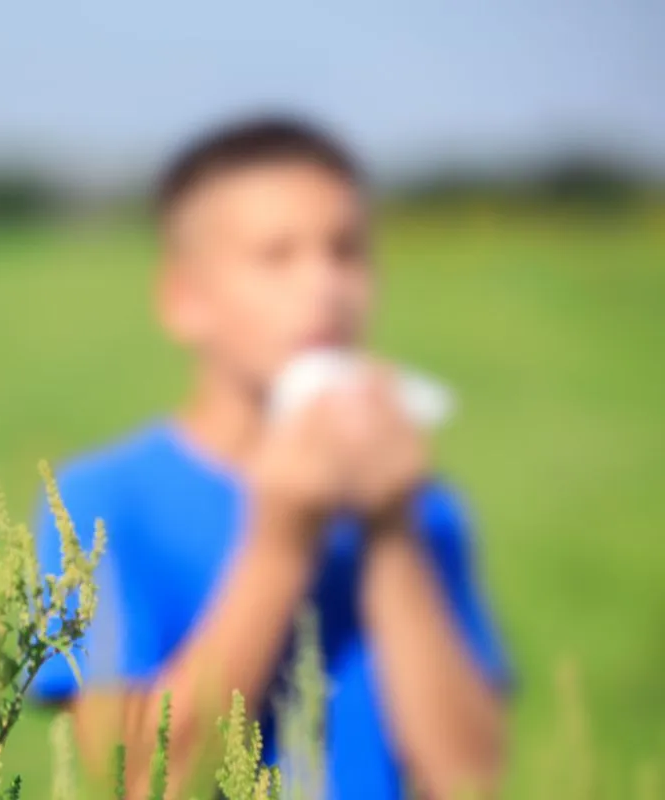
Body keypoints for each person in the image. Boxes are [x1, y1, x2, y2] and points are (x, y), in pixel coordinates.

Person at [31, 116, 509, 799]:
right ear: (184, 299)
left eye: (346, 251)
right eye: (275, 256)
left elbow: (474, 776)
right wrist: (281, 540)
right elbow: (139, 778)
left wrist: (393, 534)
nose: (324, 286)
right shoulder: (101, 502)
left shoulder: (421, 507)